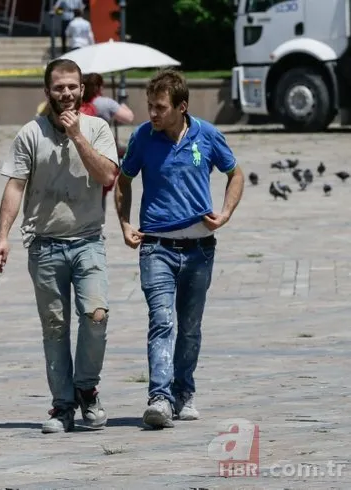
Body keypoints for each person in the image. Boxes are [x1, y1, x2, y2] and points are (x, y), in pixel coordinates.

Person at [0, 59, 119, 434]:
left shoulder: (97, 128)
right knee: (55, 327)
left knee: (97, 316)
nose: (66, 94)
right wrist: (2, 237)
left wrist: (78, 136)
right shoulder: (30, 134)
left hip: (88, 241)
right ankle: (62, 405)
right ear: (47, 91)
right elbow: (15, 186)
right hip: (44, 245)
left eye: (72, 87)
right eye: (59, 87)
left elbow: (108, 174)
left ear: (83, 89)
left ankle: (86, 390)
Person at [114, 69, 244, 429]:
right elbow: (123, 182)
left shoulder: (207, 135)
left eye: (159, 108)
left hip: (201, 248)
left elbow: (236, 173)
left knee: (189, 327)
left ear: (181, 107)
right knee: (162, 321)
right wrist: (125, 224)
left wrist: (227, 212)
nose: (152, 114)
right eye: (150, 107)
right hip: (156, 247)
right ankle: (159, 397)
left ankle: (184, 390)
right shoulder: (142, 138)